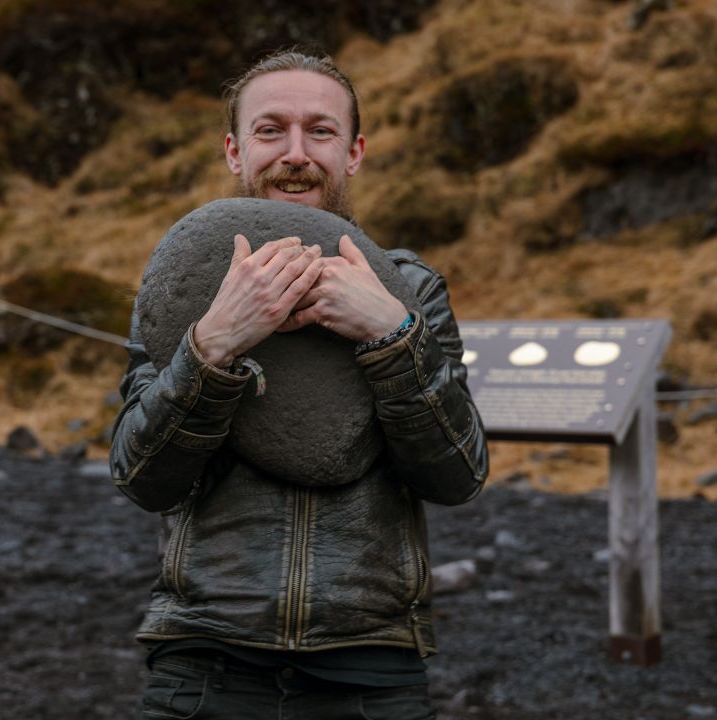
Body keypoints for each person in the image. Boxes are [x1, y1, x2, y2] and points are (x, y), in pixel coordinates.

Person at [110, 50, 489, 719]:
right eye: (269, 130)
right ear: (234, 150)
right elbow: (142, 476)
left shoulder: (412, 290)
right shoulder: (189, 283)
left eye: (320, 131)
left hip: (374, 669)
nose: (296, 153)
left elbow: (457, 475)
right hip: (206, 658)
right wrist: (213, 344)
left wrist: (391, 335)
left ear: (354, 152)